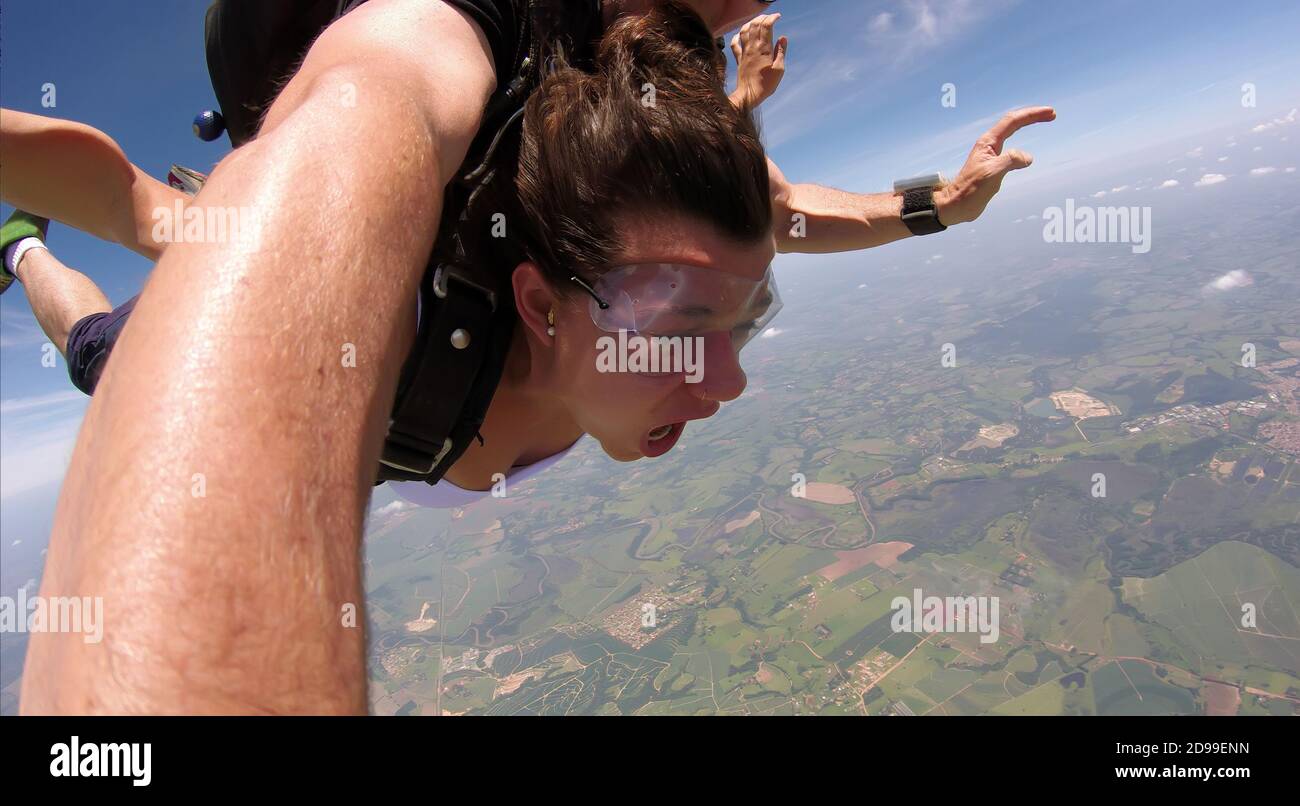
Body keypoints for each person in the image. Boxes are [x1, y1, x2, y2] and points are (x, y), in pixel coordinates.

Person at [21, 2, 1052, 713]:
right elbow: (152, 194)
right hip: (316, 278)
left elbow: (763, 224)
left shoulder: (610, 240)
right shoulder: (433, 70)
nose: (729, 379)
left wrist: (931, 208)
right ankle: (22, 242)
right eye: (686, 330)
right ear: (537, 307)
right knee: (110, 329)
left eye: (744, 319)